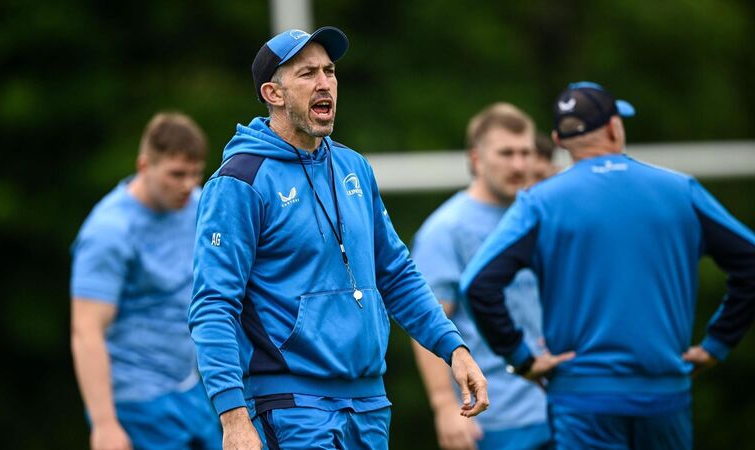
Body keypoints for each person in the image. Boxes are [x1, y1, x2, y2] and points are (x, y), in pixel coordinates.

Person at [189, 27, 488, 450]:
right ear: (274, 94)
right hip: (291, 405)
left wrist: (454, 348)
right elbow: (213, 305)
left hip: (370, 403)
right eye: (307, 73)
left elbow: (396, 273)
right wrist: (233, 417)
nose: (324, 82)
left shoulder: (354, 168)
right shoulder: (240, 181)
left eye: (329, 71)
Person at [460, 81, 755, 449]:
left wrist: (521, 358)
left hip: (581, 399)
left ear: (559, 141)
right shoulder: (681, 191)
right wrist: (717, 343)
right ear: (615, 127)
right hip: (664, 395)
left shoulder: (539, 202)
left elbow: (477, 283)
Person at [70, 112, 222, 450]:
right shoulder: (108, 232)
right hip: (135, 401)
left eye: (196, 173)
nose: (188, 185)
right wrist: (105, 424)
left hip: (190, 387)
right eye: (177, 174)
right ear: (144, 166)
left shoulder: (198, 208)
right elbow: (86, 330)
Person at [411, 103, 550, 450]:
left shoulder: (543, 216)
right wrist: (444, 405)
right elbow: (427, 321)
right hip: (493, 417)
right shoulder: (446, 229)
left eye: (525, 153)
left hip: (558, 406)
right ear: (476, 159)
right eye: (506, 153)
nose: (518, 165)